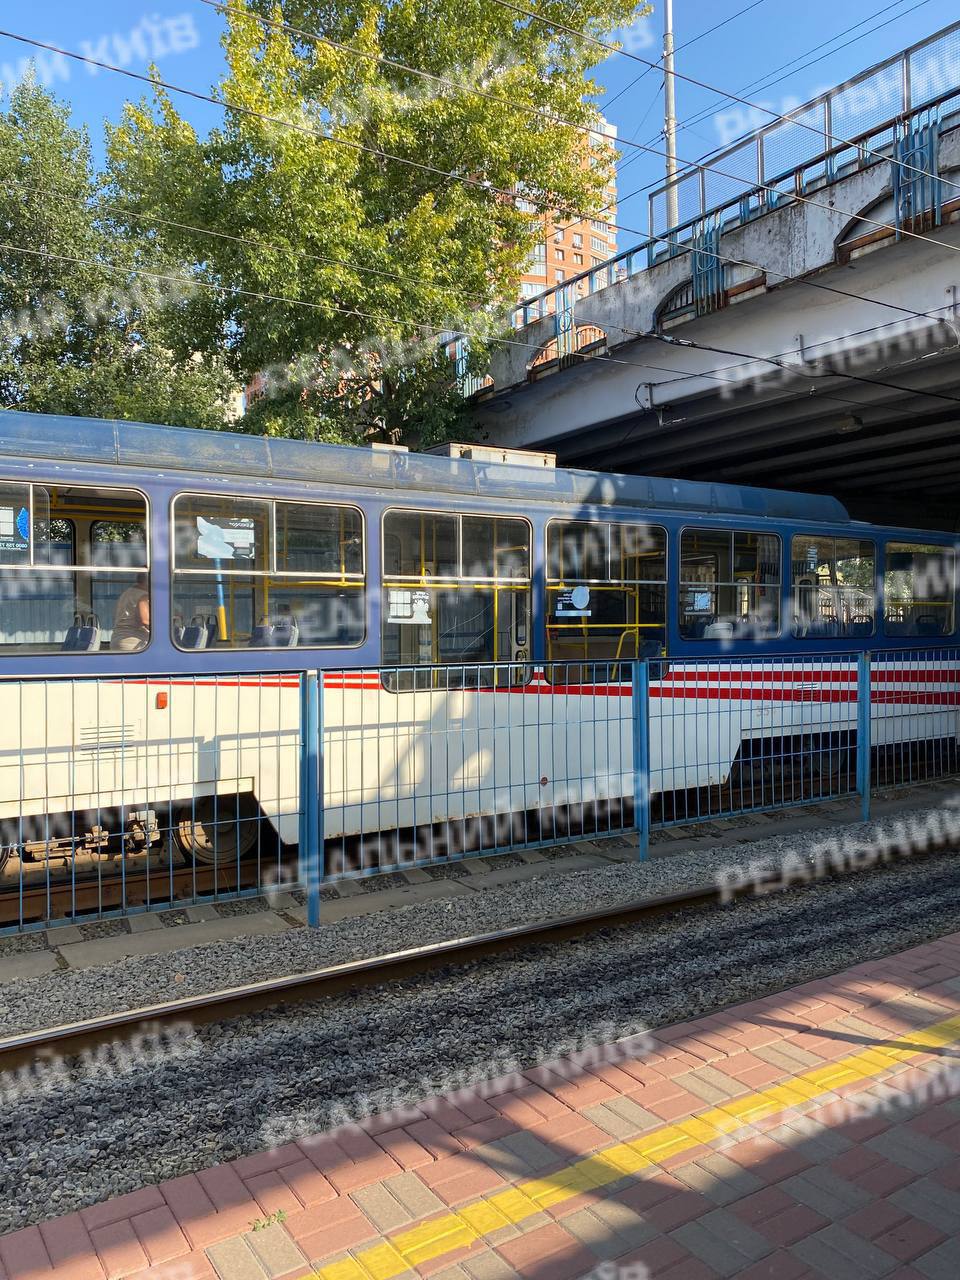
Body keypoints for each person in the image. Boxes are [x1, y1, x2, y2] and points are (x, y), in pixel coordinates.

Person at [113, 573, 150, 652]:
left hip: (117, 639)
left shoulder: (127, 592)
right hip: (132, 643)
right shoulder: (144, 596)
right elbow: (145, 620)